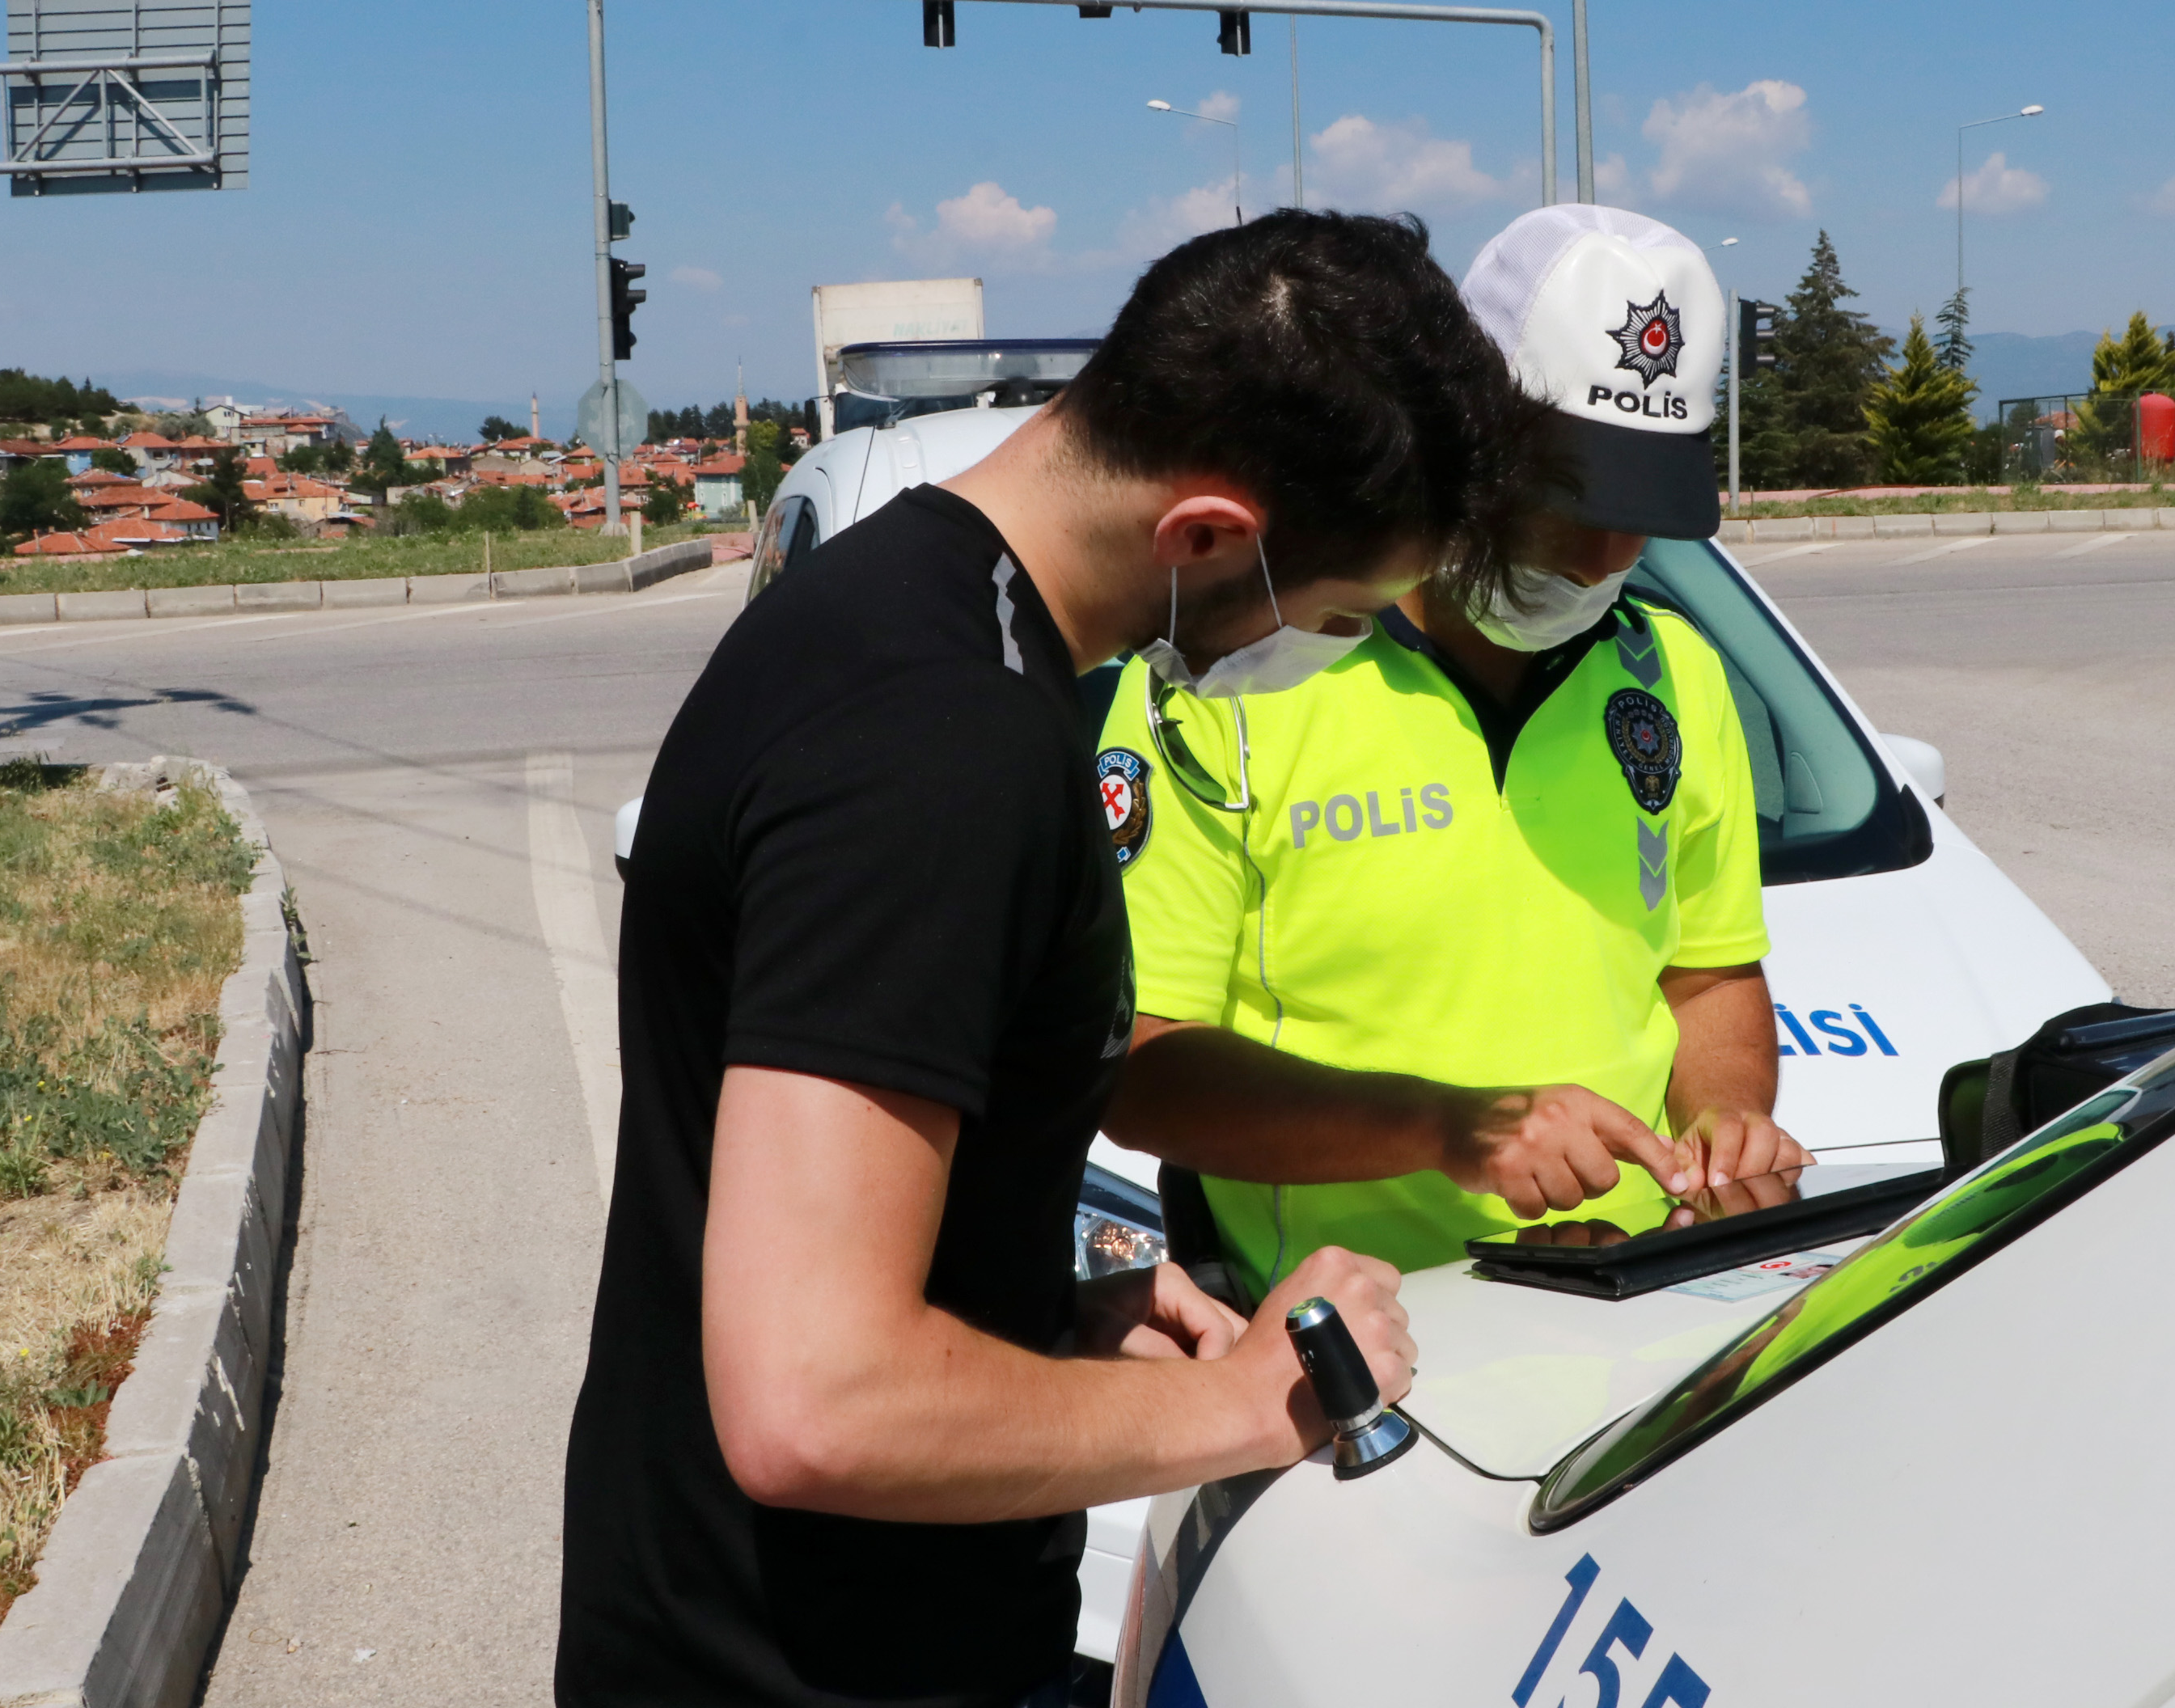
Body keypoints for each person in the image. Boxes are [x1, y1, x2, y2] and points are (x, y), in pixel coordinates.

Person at [556, 211, 1551, 1708]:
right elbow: (817, 1403)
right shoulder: (938, 751)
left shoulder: (917, 613)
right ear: (1206, 535)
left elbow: (838, 1221)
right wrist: (1242, 1405)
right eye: (1339, 617)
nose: (1338, 653)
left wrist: (1039, 1315)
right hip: (809, 1667)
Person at [1099, 205, 1809, 1291]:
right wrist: (1450, 1131)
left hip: (1633, 1299)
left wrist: (1727, 1119)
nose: (1607, 555)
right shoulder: (1230, 676)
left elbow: (1707, 976)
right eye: (1567, 502)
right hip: (1332, 1347)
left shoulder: (1673, 675)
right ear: (1455, 447)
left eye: (1643, 507)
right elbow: (1141, 1072)